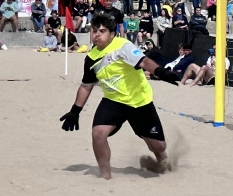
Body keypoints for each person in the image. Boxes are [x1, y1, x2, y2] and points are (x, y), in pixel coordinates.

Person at [58, 13, 180, 180]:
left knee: (158, 145)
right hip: (113, 101)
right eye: (94, 31)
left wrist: (161, 72)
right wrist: (75, 111)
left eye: (102, 31)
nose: (97, 35)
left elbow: (144, 61)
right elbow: (86, 86)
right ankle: (105, 176)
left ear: (112, 34)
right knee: (98, 133)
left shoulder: (123, 46)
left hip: (139, 101)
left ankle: (163, 161)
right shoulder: (91, 58)